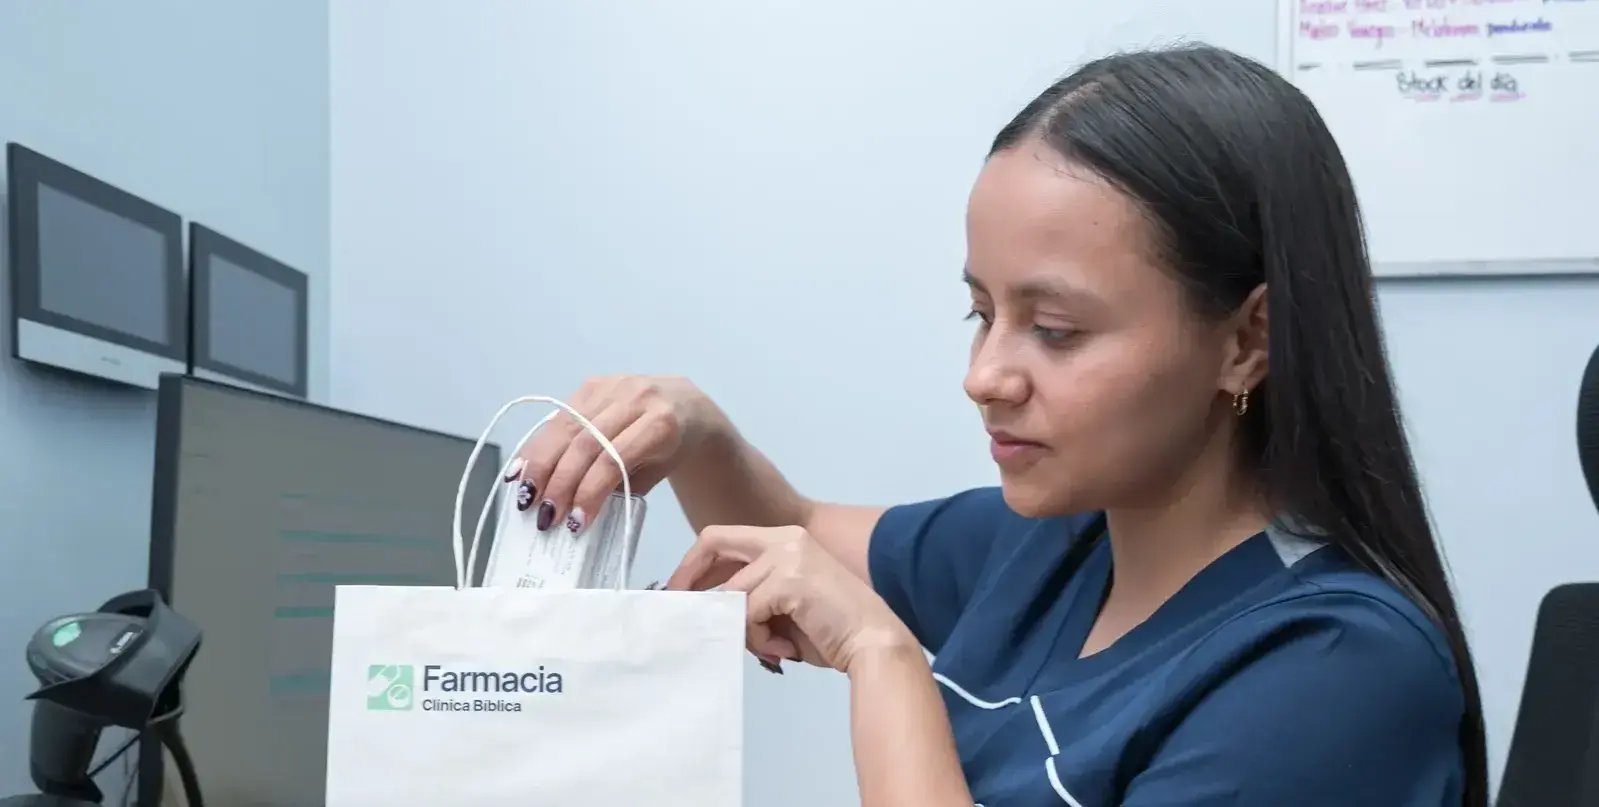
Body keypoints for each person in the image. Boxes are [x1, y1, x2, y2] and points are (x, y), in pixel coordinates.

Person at [508, 44, 1487, 806]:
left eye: (1054, 330)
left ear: (1245, 342)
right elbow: (796, 537)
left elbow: (847, 616)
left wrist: (882, 658)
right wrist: (697, 432)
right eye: (982, 313)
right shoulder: (1043, 549)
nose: (983, 376)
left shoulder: (1336, 672)